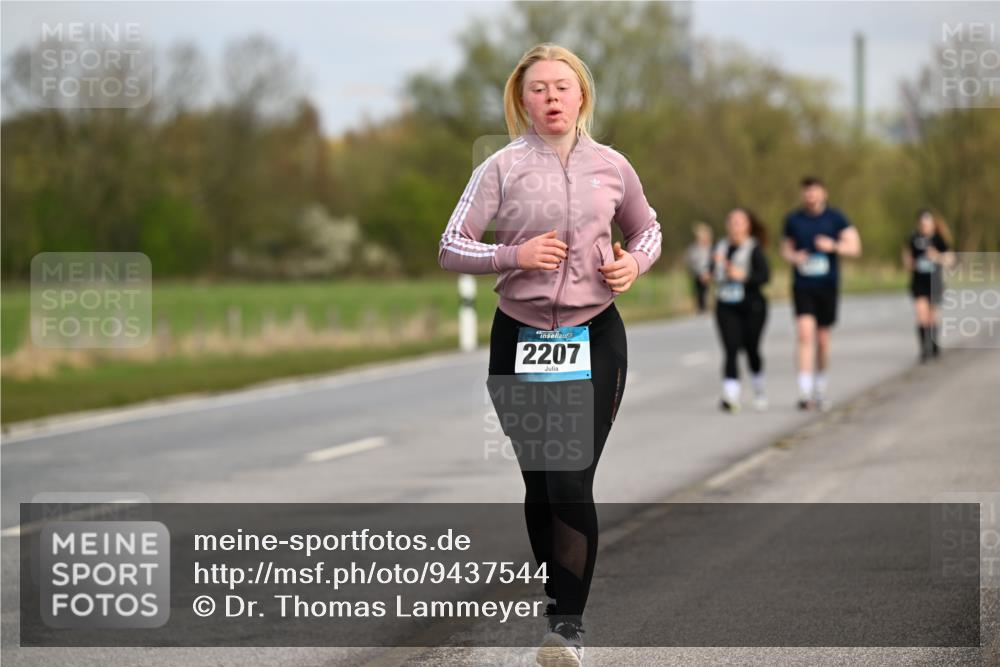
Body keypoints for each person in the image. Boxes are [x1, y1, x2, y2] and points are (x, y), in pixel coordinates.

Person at [438, 43, 662, 666]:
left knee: (570, 477)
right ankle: (558, 604)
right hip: (520, 337)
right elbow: (451, 246)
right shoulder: (501, 169)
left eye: (562, 86)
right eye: (538, 89)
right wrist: (514, 255)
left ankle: (567, 630)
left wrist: (632, 263)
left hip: (594, 336)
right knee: (540, 483)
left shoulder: (613, 165)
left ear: (582, 94)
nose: (552, 97)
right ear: (522, 99)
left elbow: (648, 228)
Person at [780, 176, 861, 411]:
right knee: (805, 335)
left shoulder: (836, 218)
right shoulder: (793, 219)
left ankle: (820, 388)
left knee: (823, 340)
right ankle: (805, 393)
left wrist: (833, 246)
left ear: (823, 193)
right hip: (802, 285)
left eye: (814, 191)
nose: (810, 196)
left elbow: (855, 247)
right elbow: (785, 248)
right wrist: (793, 257)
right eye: (806, 192)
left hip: (827, 285)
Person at [710, 208, 770, 413]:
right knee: (731, 348)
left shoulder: (754, 249)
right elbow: (711, 271)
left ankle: (759, 389)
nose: (734, 226)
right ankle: (730, 396)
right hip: (726, 306)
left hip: (753, 307)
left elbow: (765, 277)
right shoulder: (720, 247)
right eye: (731, 222)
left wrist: (743, 276)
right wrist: (708, 275)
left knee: (751, 349)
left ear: (748, 226)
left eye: (739, 222)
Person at [903, 209, 954, 362]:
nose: (925, 226)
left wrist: (936, 256)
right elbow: (907, 258)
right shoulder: (913, 238)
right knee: (921, 315)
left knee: (932, 316)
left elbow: (950, 260)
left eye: (927, 223)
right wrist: (910, 263)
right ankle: (924, 350)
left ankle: (934, 344)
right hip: (919, 282)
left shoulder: (939, 239)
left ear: (932, 223)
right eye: (922, 223)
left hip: (935, 282)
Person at [685, 222, 713, 313]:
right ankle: (700, 307)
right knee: (698, 290)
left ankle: (706, 306)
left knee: (705, 290)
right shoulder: (693, 248)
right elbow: (689, 260)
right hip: (696, 273)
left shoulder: (710, 248)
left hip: (707, 273)